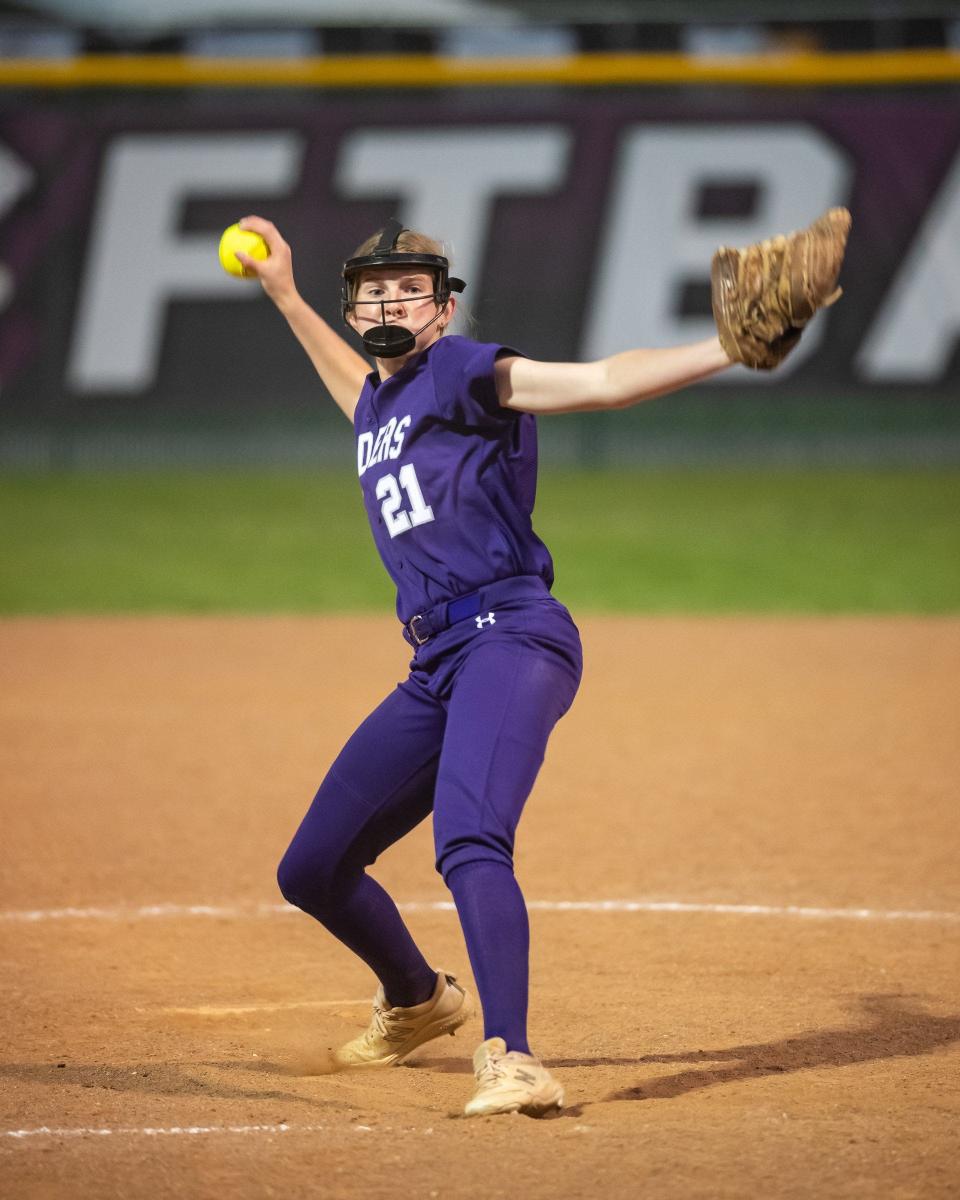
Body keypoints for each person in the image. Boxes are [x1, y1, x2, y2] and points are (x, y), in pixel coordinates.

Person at [234, 213, 734, 1118]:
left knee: (467, 838)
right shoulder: (383, 406)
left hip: (512, 633)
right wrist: (285, 296)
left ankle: (513, 1054)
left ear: (444, 305)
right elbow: (355, 392)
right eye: (372, 289)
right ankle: (419, 1000)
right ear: (354, 307)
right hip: (438, 661)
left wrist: (726, 345)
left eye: (409, 286)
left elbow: (605, 382)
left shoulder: (462, 370)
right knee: (311, 869)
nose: (389, 300)